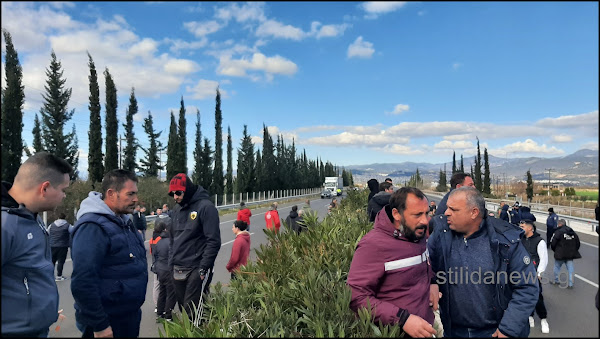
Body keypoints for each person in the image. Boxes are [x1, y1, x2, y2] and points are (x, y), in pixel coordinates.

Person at [428, 186, 538, 337]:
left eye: (453, 209)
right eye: (447, 207)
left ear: (474, 212)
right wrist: (432, 281)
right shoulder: (441, 234)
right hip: (454, 331)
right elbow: (426, 264)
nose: (446, 213)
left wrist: (508, 328)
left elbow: (527, 287)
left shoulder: (505, 241)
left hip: (494, 332)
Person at [347, 187, 437, 338]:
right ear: (396, 214)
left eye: (426, 213)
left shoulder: (416, 232)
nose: (425, 221)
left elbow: (423, 262)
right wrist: (403, 319)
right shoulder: (373, 245)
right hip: (395, 332)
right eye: (417, 215)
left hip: (425, 327)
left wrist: (432, 282)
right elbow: (356, 297)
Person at [1, 152, 72, 337]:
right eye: (63, 190)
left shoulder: (32, 217)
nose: (64, 196)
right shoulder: (5, 225)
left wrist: (41, 308)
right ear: (45, 188)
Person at [71, 169, 148, 338]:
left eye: (136, 193)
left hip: (127, 316)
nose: (135, 199)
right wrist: (100, 325)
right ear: (111, 194)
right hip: (107, 322)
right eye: (130, 194)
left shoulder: (124, 222)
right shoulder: (93, 227)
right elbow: (83, 281)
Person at [168, 173, 221, 322]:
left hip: (197, 267)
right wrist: (170, 263)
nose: (175, 197)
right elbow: (172, 239)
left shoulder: (206, 207)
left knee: (193, 311)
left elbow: (214, 241)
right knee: (183, 310)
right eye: (173, 193)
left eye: (178, 193)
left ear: (188, 190)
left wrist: (203, 268)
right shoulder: (176, 210)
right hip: (178, 266)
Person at [519, 219, 550, 334]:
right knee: (524, 297)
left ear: (530, 228)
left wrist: (539, 273)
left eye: (523, 227)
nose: (521, 228)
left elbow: (544, 259)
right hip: (521, 274)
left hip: (534, 275)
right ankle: (530, 316)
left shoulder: (539, 241)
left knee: (537, 298)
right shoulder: (520, 240)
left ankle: (543, 319)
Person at [152, 216, 176, 322]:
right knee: (170, 293)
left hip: (160, 270)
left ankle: (159, 312)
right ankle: (168, 314)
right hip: (168, 270)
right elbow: (172, 257)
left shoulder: (159, 242)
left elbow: (155, 256)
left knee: (162, 291)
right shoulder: (171, 243)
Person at [550, 219, 581, 288]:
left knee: (557, 267)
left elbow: (553, 243)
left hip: (560, 253)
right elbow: (578, 242)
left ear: (559, 224)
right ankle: (570, 284)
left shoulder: (558, 232)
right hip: (570, 254)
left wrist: (556, 250)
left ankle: (556, 280)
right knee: (570, 269)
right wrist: (574, 250)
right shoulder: (572, 231)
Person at [48, 212, 72, 281]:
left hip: (52, 245)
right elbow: (72, 232)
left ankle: (50, 276)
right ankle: (59, 276)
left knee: (52, 261)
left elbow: (47, 232)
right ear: (65, 217)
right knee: (61, 261)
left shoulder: (51, 225)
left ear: (58, 218)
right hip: (63, 246)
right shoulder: (68, 225)